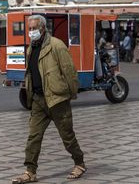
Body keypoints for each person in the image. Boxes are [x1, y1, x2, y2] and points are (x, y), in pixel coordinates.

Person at [12, 15, 85, 184]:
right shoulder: (31, 48)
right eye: (29, 29)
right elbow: (30, 73)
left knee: (67, 136)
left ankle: (79, 163)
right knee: (33, 137)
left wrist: (71, 93)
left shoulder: (56, 46)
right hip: (38, 100)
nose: (31, 32)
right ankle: (30, 171)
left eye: (34, 28)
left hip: (57, 99)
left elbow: (69, 71)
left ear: (43, 28)